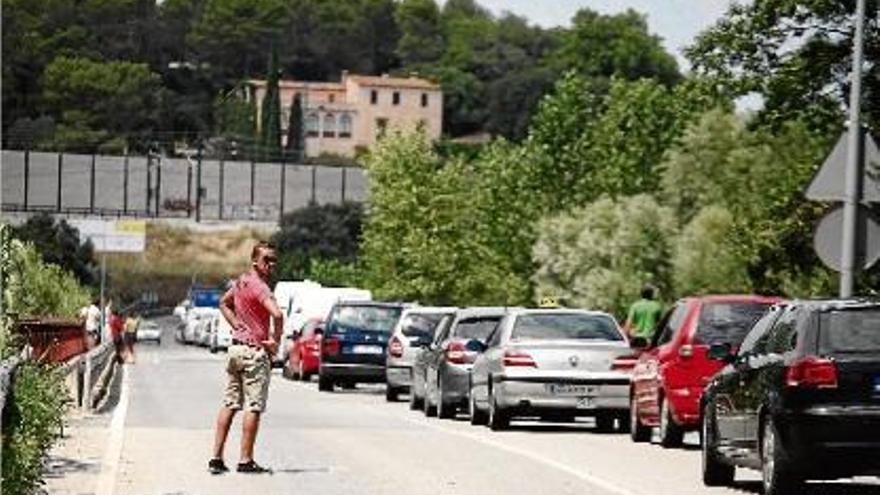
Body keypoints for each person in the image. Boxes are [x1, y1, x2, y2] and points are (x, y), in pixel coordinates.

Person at [209, 241, 282, 475]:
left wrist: (235, 323)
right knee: (254, 405)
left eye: (273, 260)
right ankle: (245, 459)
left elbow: (223, 303)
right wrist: (275, 340)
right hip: (253, 352)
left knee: (230, 403)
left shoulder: (241, 282)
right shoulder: (260, 287)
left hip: (235, 350)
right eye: (266, 260)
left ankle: (216, 458)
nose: (271, 264)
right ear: (255, 262)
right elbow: (278, 314)